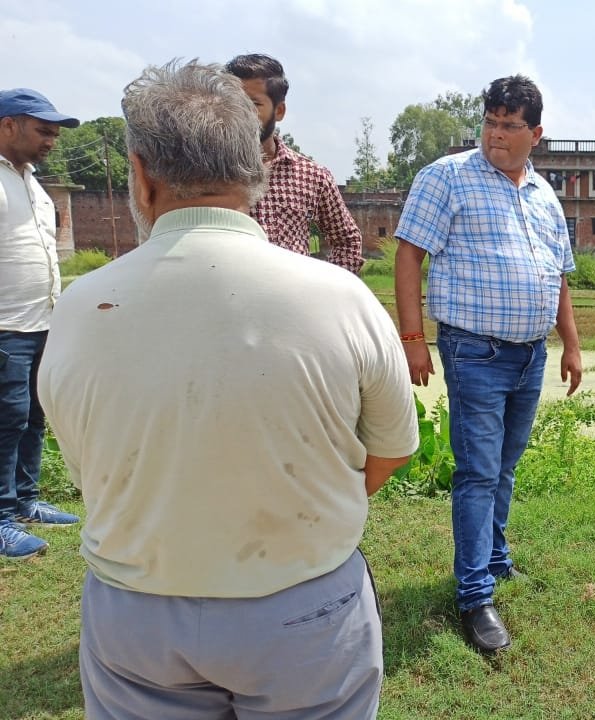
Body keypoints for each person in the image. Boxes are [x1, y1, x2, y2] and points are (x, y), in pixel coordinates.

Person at [37, 60, 417, 718]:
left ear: (140, 176)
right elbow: (390, 450)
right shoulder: (342, 299)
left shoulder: (79, 307)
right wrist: (303, 508)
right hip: (305, 612)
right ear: (255, 170)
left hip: (137, 617)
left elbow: (90, 467)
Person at [394, 74, 581, 653]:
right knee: (478, 471)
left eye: (510, 125)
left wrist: (571, 345)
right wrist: (412, 337)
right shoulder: (447, 177)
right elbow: (409, 255)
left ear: (536, 134)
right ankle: (475, 596)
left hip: (530, 355)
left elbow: (558, 276)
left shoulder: (544, 194)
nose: (497, 134)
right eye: (491, 122)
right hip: (474, 350)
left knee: (504, 465)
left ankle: (496, 558)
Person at [0, 88, 80, 561]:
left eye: (54, 133)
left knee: (33, 414)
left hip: (40, 325)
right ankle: (1, 518)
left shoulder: (30, 181)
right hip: (5, 326)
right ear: (8, 125)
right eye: (43, 131)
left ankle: (26, 502)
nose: (51, 140)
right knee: (5, 421)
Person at [225, 53, 365, 273]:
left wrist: (323, 288)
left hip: (293, 293)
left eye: (253, 104)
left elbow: (347, 241)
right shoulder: (208, 174)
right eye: (232, 103)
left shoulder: (311, 176)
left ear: (279, 111)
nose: (240, 114)